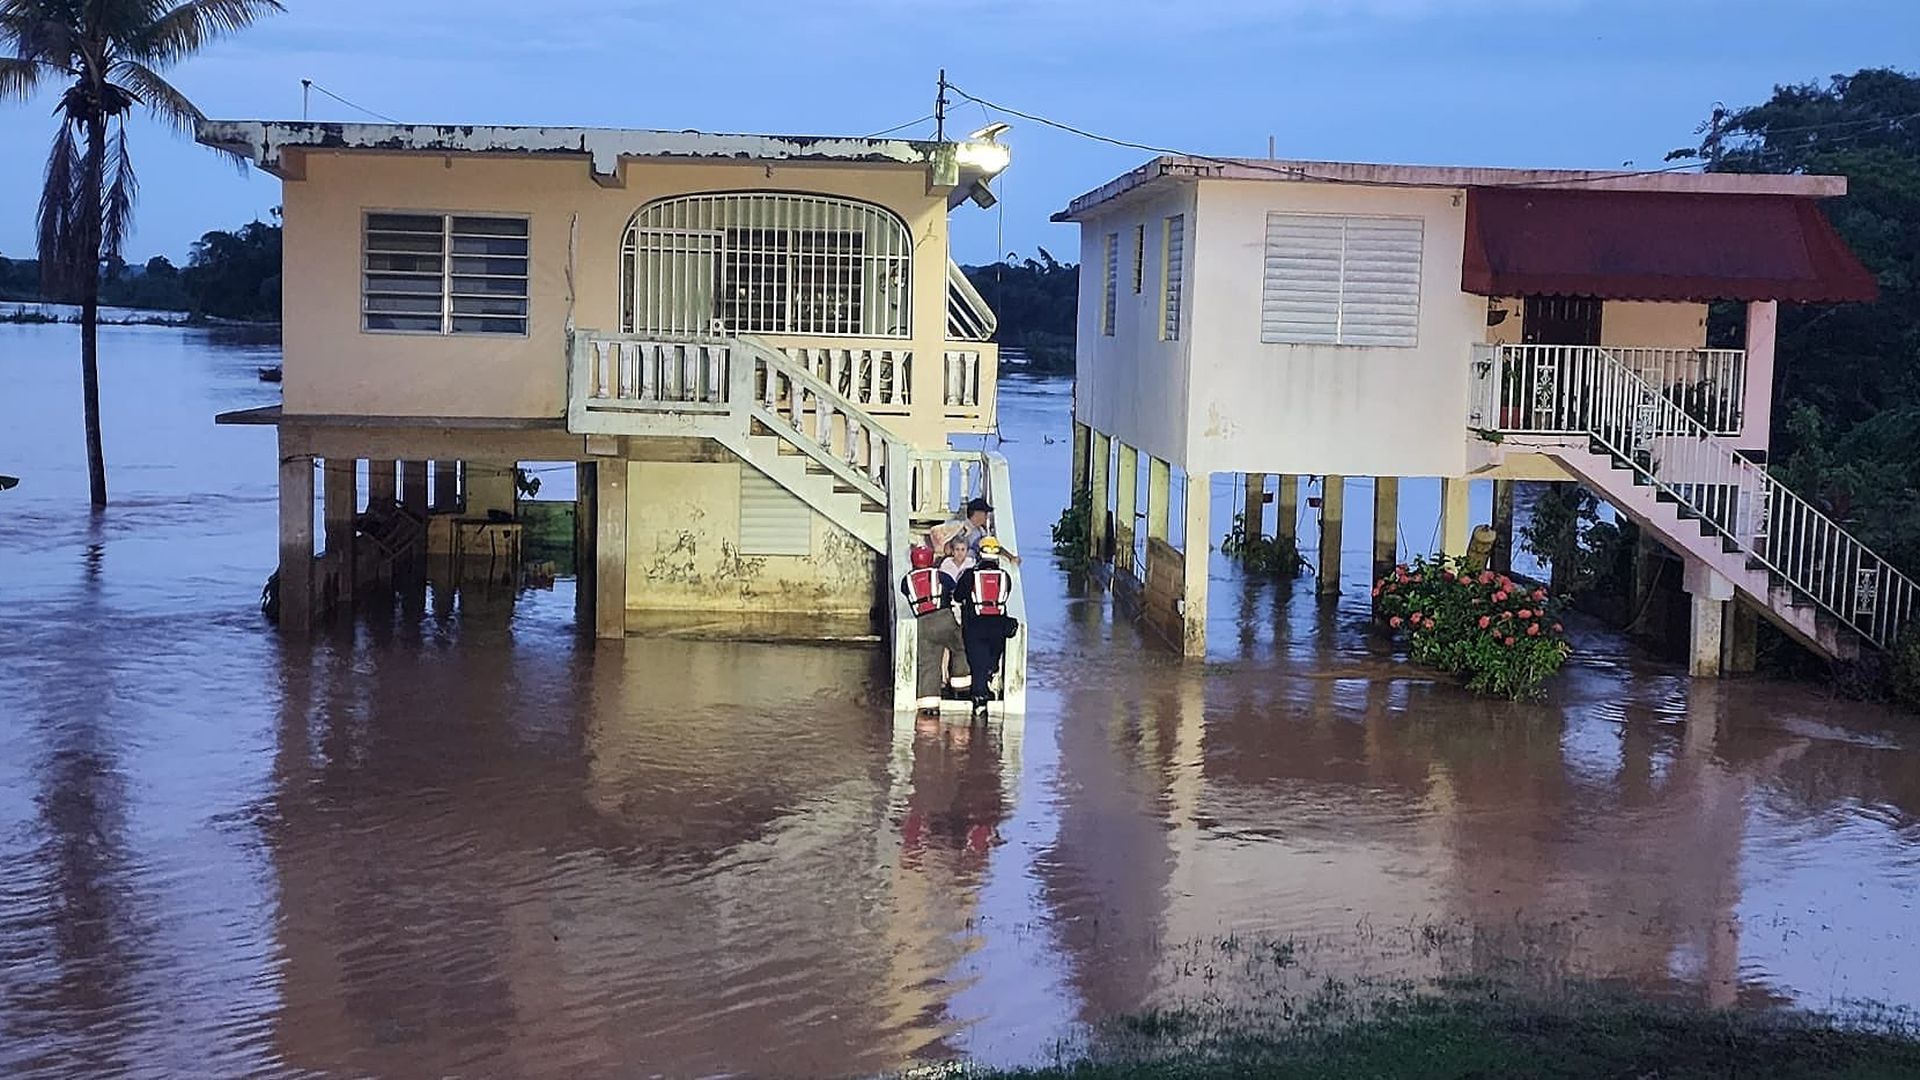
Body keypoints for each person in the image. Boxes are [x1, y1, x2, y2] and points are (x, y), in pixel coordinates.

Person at [900, 544, 970, 713]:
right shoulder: (941, 575)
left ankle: (929, 705)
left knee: (928, 663)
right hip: (943, 617)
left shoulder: (906, 580)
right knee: (960, 646)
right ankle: (960, 687)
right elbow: (953, 589)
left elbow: (906, 593)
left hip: (922, 622)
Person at [951, 536, 1017, 715]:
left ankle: (980, 702)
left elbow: (958, 597)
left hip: (975, 626)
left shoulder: (969, 575)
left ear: (980, 554)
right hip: (998, 626)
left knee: (977, 664)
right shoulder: (1005, 577)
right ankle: (990, 679)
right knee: (990, 661)